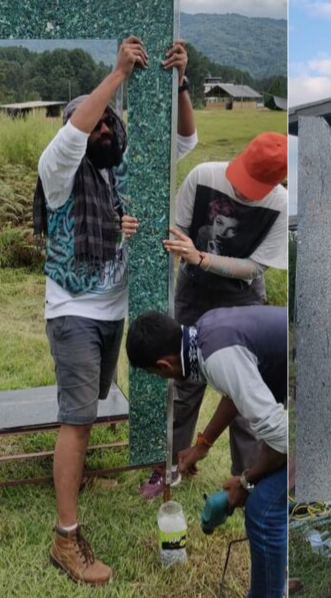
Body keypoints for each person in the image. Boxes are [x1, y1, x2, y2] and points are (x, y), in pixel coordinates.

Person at [32, 34, 197, 586]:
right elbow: (79, 127)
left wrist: (180, 84)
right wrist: (118, 74)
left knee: (95, 406)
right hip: (73, 309)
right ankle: (65, 539)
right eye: (94, 124)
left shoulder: (116, 169)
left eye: (108, 124)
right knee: (76, 419)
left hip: (112, 311)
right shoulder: (57, 168)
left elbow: (183, 142)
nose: (104, 129)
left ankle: (72, 480)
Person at [127, 306, 288, 598]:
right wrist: (202, 446)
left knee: (262, 510)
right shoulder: (205, 330)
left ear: (164, 366)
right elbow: (235, 392)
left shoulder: (217, 357)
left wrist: (245, 482)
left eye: (158, 375)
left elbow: (282, 437)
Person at [159, 132, 288, 490]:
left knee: (248, 392)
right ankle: (173, 468)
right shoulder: (203, 177)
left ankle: (248, 478)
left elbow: (255, 267)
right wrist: (186, 254)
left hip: (243, 297)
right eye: (245, 180)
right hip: (194, 291)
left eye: (257, 187)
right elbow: (178, 230)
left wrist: (202, 258)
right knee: (184, 384)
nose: (246, 192)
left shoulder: (280, 204)